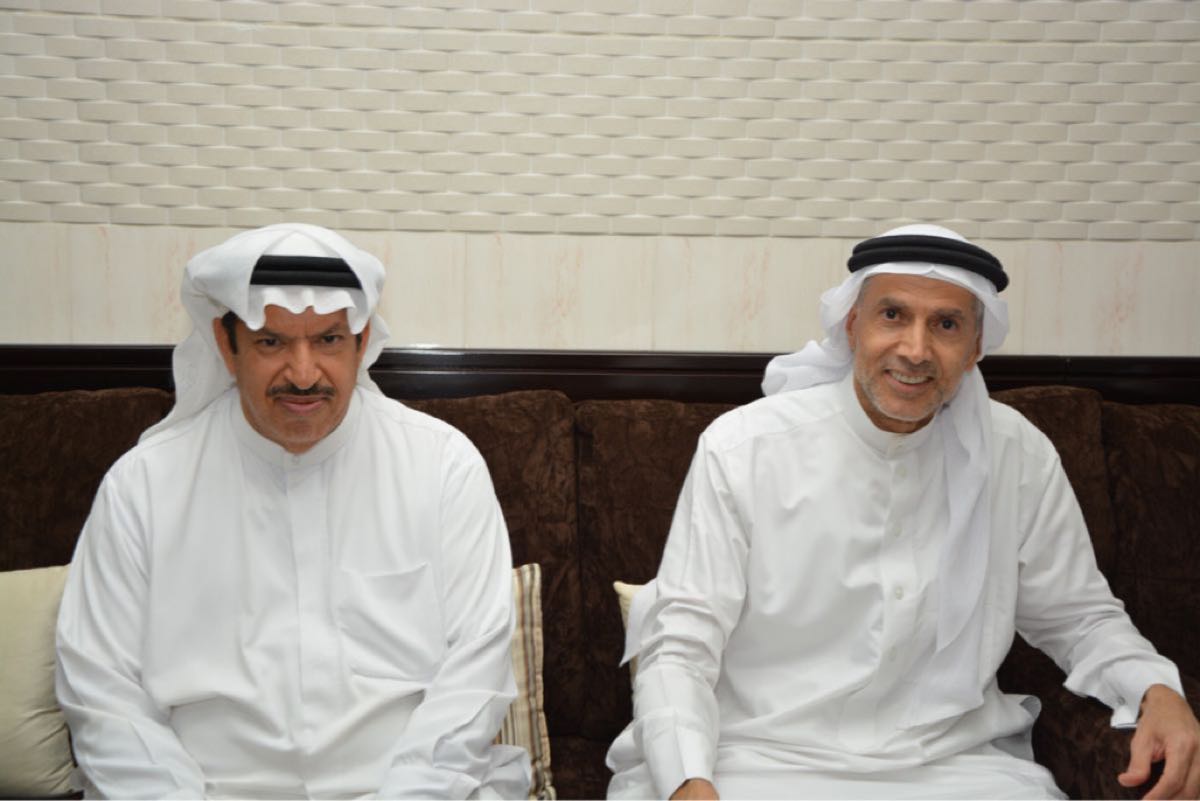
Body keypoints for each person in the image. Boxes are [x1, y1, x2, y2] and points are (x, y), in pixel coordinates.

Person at [607, 224, 1200, 800]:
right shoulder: (744, 448)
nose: (915, 350)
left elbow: (1078, 616)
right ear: (852, 325)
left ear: (975, 348)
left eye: (946, 324)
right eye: (893, 315)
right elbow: (679, 642)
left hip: (952, 769)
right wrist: (689, 782)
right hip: (757, 761)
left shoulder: (1018, 454)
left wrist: (1157, 690)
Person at [56, 223, 530, 799]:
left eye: (328, 340)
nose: (304, 375)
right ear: (226, 345)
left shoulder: (443, 467)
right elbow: (102, 692)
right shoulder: (144, 484)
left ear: (362, 342)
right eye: (272, 343)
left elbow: (473, 678)